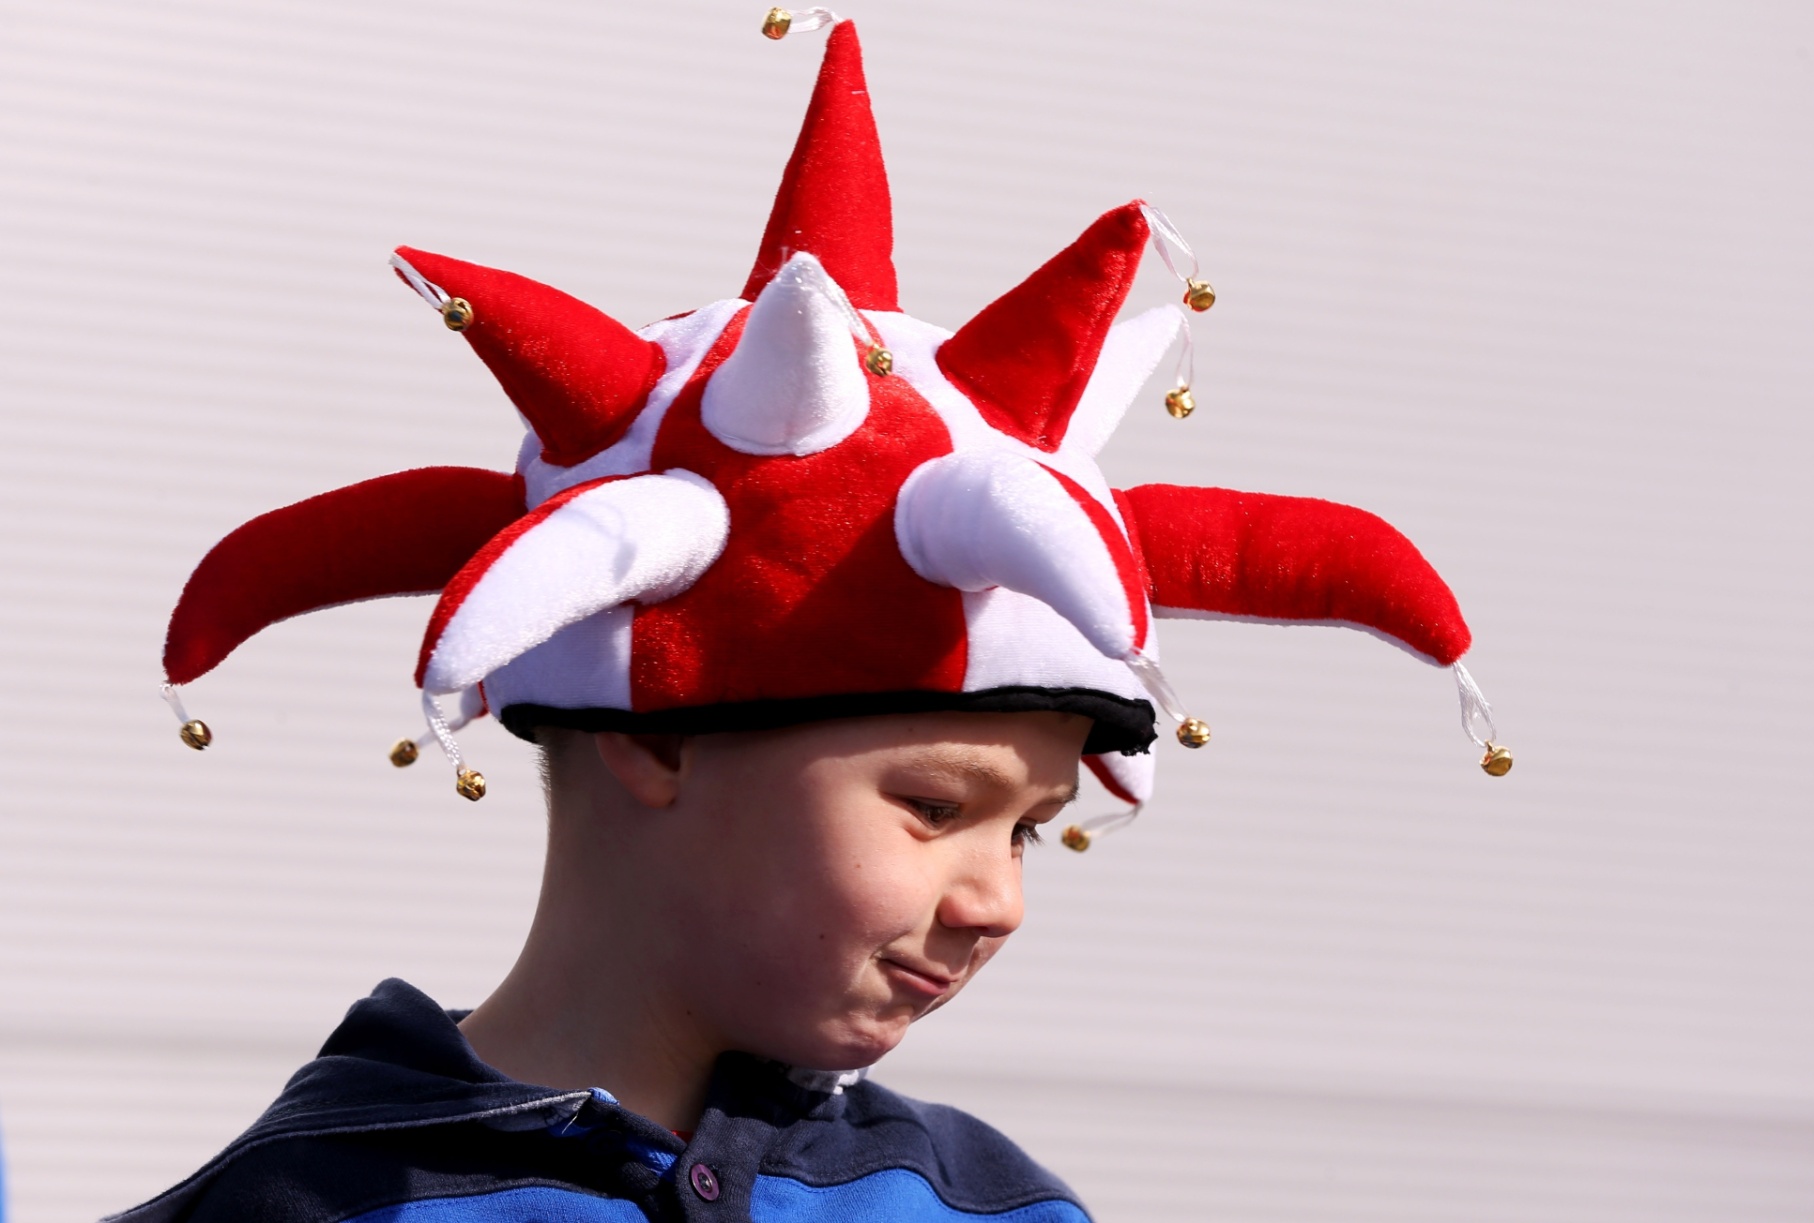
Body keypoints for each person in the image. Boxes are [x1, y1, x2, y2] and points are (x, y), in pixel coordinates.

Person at [120, 14, 1503, 1222]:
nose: (999, 901)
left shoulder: (993, 1207)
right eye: (935, 806)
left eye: (1028, 828)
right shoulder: (310, 1204)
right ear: (659, 732)